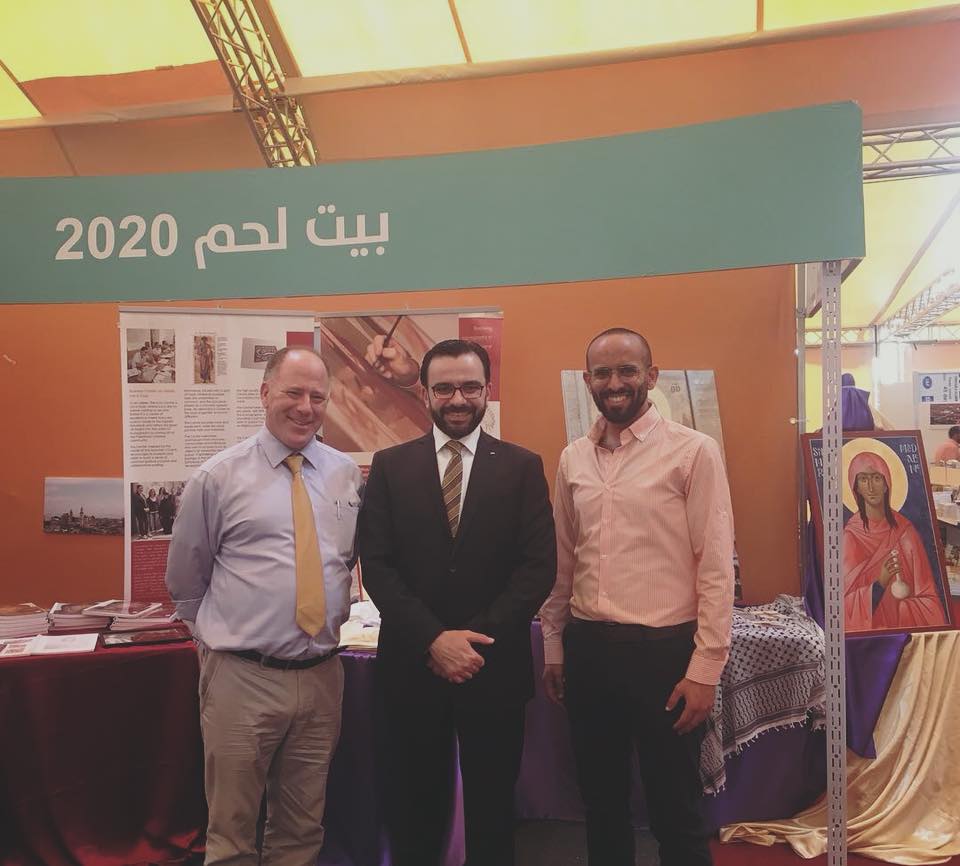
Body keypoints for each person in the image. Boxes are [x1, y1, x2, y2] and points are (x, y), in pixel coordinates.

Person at [539, 327, 735, 866]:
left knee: (675, 810)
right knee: (601, 805)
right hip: (589, 651)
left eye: (627, 370)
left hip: (663, 656)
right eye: (602, 373)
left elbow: (716, 567)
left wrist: (705, 670)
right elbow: (562, 561)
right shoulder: (573, 458)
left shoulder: (693, 452)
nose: (615, 383)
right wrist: (554, 646)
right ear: (587, 381)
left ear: (651, 376)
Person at [359, 338, 556, 866]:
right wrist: (433, 639)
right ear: (424, 392)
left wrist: (470, 642)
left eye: (470, 387)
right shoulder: (390, 466)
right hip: (412, 667)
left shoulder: (522, 467)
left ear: (487, 390)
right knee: (414, 809)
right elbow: (376, 565)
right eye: (444, 388)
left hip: (492, 667)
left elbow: (537, 569)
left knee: (493, 811)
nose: (458, 399)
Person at [165, 346, 363, 866]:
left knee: (301, 828)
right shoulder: (218, 477)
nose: (305, 407)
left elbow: (344, 559)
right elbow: (186, 578)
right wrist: (222, 646)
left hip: (322, 676)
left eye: (317, 397)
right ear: (265, 393)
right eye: (293, 393)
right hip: (243, 677)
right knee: (231, 830)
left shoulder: (346, 474)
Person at [843, 450, 947, 631]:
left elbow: (929, 599)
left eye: (876, 478)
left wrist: (902, 609)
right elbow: (843, 607)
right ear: (856, 487)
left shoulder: (905, 533)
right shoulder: (850, 537)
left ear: (886, 484)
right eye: (863, 479)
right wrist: (880, 583)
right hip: (868, 639)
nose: (870, 487)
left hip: (904, 635)